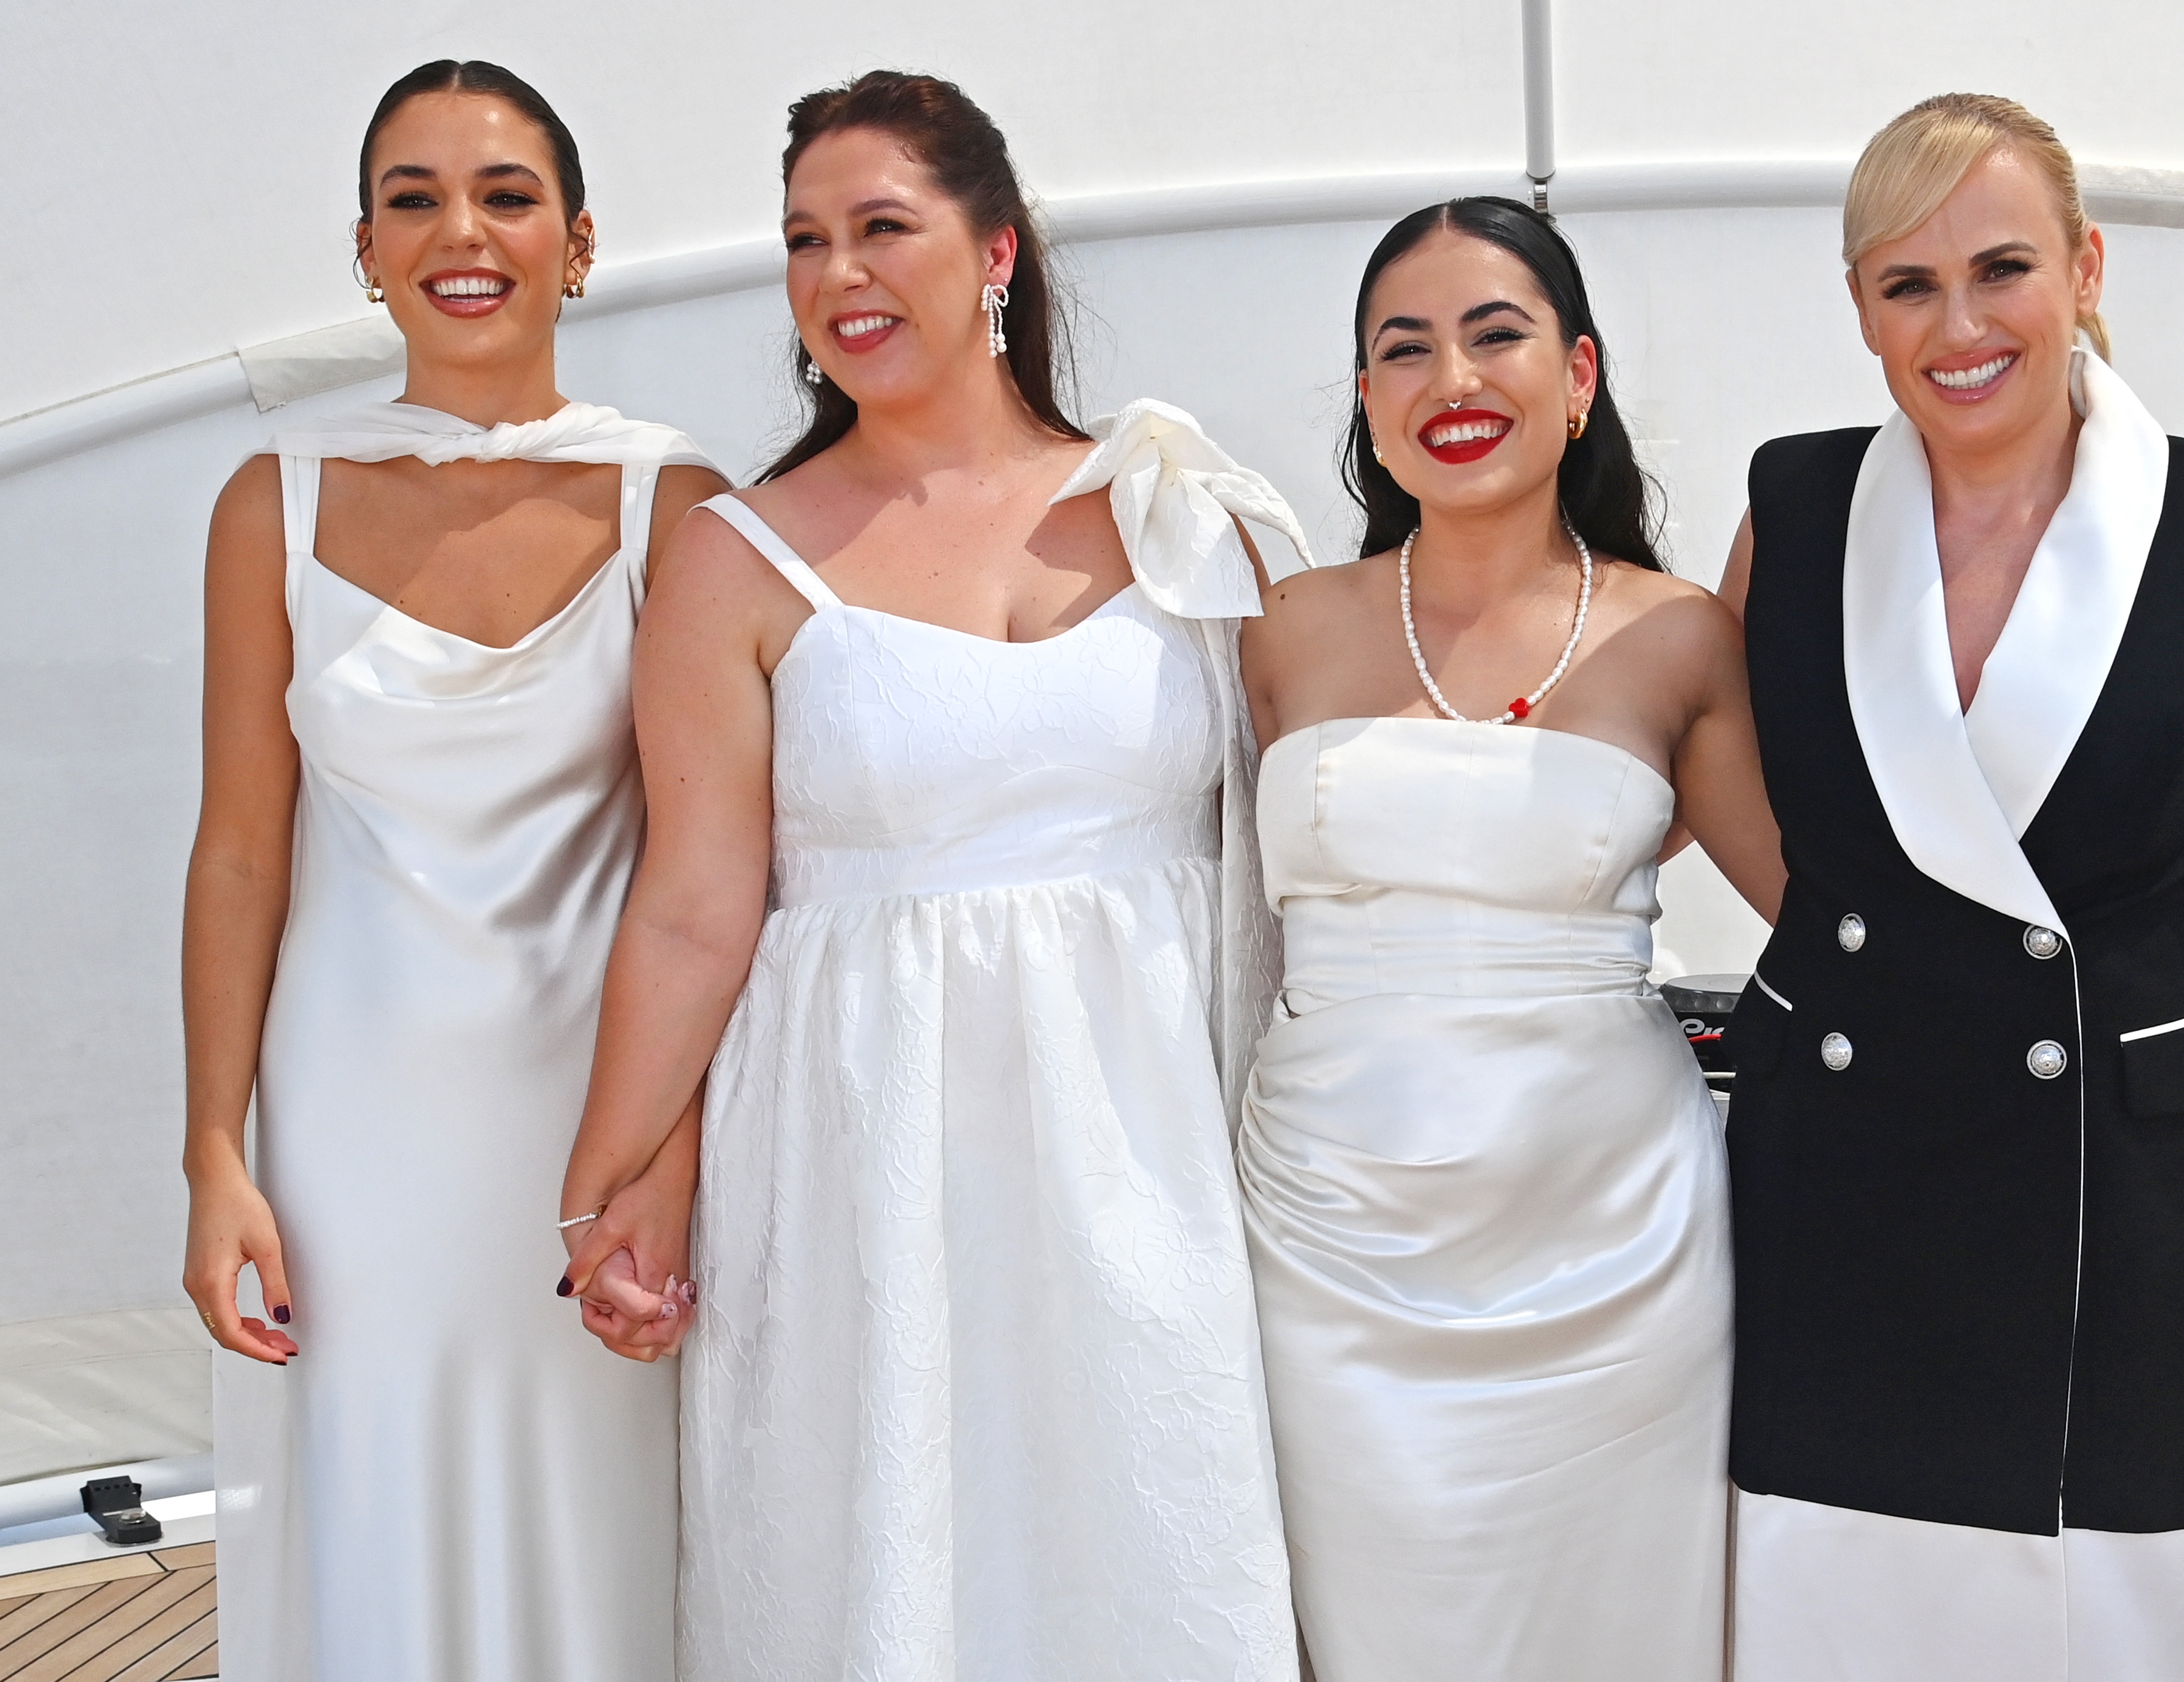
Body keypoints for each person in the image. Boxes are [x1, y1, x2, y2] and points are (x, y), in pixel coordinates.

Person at [553, 71, 1311, 1681]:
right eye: (804, 242)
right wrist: (613, 1187)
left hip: (1153, 1172)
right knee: (875, 1583)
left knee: (1154, 1556)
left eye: (882, 227)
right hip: (856, 1176)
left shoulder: (1183, 517)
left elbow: (1313, 833)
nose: (838, 275)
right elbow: (696, 905)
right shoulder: (736, 556)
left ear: (996, 252)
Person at [1718, 93, 2184, 1682]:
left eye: (2002, 268)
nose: (1959, 325)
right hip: (1847, 1183)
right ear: (1861, 312)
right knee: (1839, 1609)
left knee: (2122, 1617)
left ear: (2086, 268)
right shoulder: (1798, 506)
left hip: (2138, 1205)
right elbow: (1744, 792)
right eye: (1907, 285)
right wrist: (1873, 957)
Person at [179, 60, 723, 1682]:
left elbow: (710, 877)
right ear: (363, 248)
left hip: (592, 1129)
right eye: (412, 197)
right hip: (348, 1144)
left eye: (505, 195)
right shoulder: (268, 501)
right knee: (375, 1526)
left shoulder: (672, 501)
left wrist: (663, 1164)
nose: (459, 231)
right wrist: (215, 1155)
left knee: (599, 1528)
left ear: (579, 242)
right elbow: (236, 855)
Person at [1235, 196, 1783, 1682]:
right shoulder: (1275, 626)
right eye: (1402, 351)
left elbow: (1830, 912)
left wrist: (2129, 863)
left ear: (1580, 375)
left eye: (1497, 337)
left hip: (1615, 1248)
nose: (1451, 384)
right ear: (1366, 401)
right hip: (1327, 1234)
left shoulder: (1678, 637)